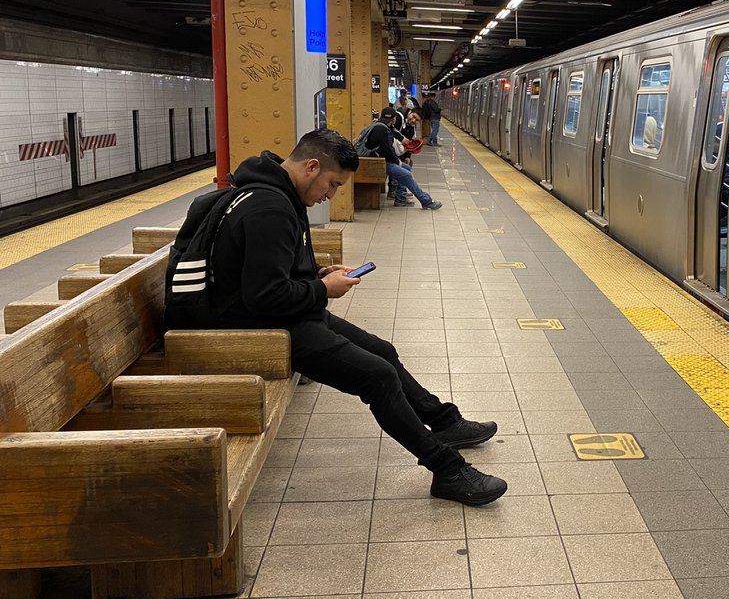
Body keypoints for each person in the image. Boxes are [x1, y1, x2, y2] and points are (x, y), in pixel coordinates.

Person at [181, 129, 507, 505]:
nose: (330, 195)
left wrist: (315, 275)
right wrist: (324, 290)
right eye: (332, 184)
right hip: (257, 328)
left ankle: (445, 423)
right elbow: (265, 297)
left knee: (382, 351)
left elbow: (264, 272)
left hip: (280, 314)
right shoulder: (269, 208)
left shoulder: (274, 194)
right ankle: (447, 470)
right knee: (377, 377)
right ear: (312, 166)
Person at [365, 107, 442, 210]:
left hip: (377, 160)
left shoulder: (381, 126)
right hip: (377, 162)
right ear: (394, 120)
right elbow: (389, 150)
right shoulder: (383, 130)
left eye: (417, 119)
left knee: (406, 168)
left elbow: (393, 136)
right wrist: (397, 161)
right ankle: (426, 201)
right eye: (413, 117)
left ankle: (400, 199)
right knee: (406, 174)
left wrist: (402, 155)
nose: (414, 120)